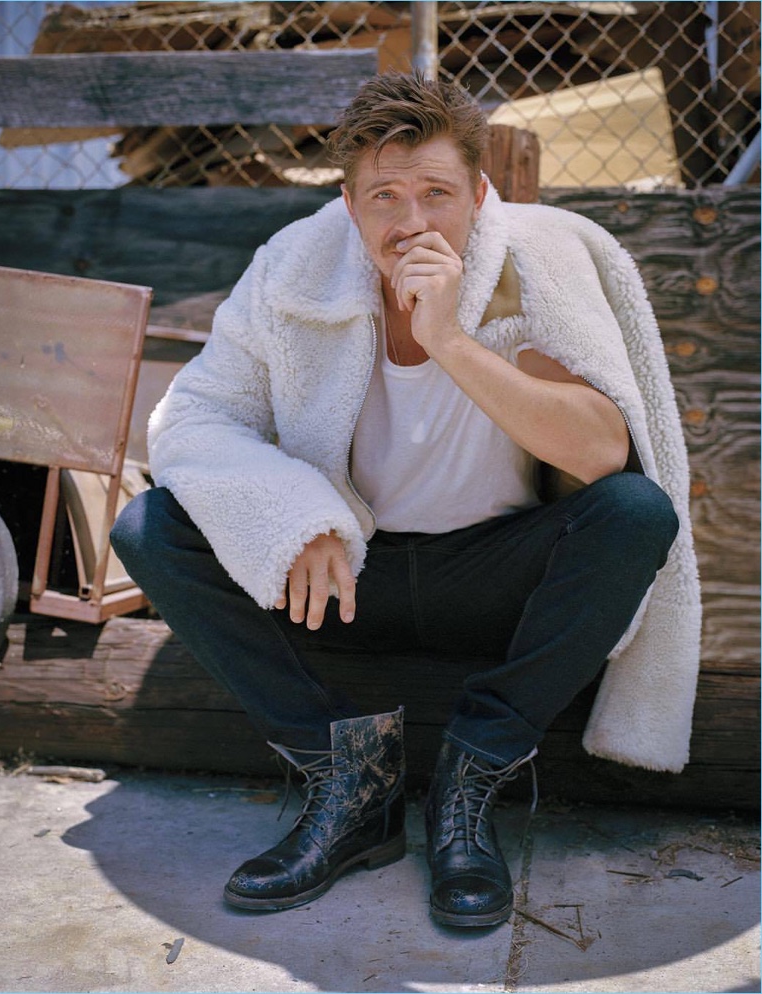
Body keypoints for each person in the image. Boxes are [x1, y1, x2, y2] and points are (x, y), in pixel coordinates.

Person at [111, 72, 701, 929]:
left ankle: (471, 777)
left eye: (437, 193)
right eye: (386, 195)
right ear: (350, 207)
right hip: (350, 575)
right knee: (149, 527)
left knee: (636, 515)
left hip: (492, 581)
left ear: (480, 196)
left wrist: (449, 338)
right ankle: (347, 782)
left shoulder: (531, 271)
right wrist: (292, 512)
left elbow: (604, 450)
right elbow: (193, 415)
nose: (414, 221)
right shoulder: (293, 267)